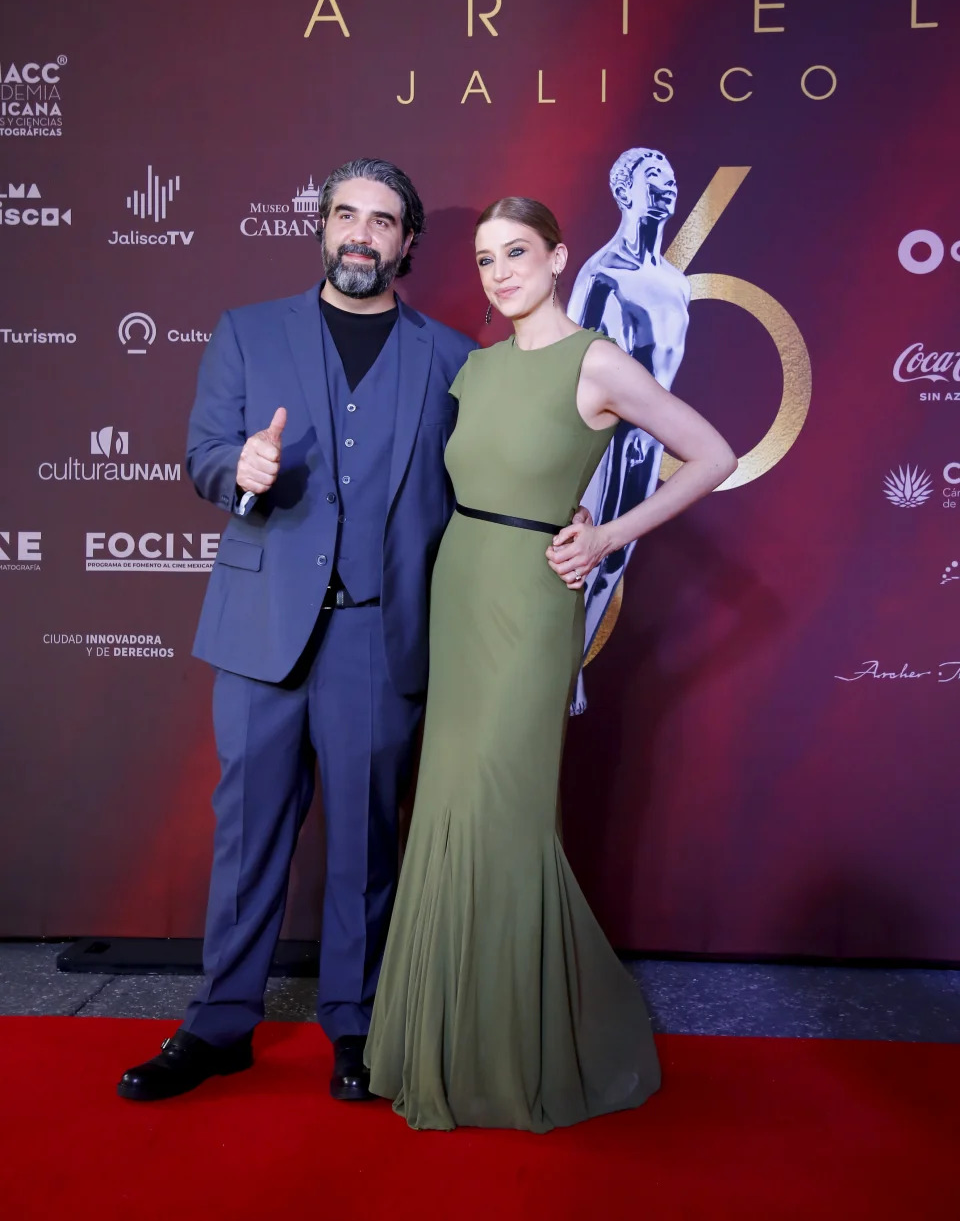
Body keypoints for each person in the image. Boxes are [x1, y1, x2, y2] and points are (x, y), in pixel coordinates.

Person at [365, 196, 737, 1132]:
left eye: (517, 252)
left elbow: (712, 453)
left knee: (503, 810)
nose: (498, 272)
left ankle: (515, 1050)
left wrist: (606, 532)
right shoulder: (476, 368)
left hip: (531, 604)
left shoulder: (599, 361)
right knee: (448, 804)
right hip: (459, 590)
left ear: (561, 257)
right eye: (486, 258)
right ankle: (439, 1042)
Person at [117, 158, 478, 1103]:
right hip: (262, 629)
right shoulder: (247, 333)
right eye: (346, 215)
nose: (362, 233)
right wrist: (243, 464)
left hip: (378, 634)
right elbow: (202, 458)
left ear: (408, 243)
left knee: (365, 843)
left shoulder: (449, 356)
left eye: (384, 221)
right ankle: (219, 1023)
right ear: (322, 227)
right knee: (247, 836)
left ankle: (356, 1027)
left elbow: (472, 490)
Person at [566, 147, 690, 712]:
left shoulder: (676, 281)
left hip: (649, 441)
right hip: (603, 439)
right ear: (624, 192)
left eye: (670, 178)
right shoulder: (601, 273)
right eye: (652, 179)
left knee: (616, 558)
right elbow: (566, 366)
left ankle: (573, 665)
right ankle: (563, 672)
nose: (666, 187)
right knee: (581, 558)